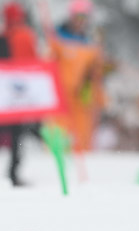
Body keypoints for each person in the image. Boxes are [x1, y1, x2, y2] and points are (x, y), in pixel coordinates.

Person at [0, 2, 39, 186]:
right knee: (16, 136)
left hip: (0, 96)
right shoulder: (26, 36)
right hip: (17, 96)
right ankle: (12, 173)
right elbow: (32, 62)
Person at [50, 0, 105, 153]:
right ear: (71, 16)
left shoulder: (90, 43)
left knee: (82, 135)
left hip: (82, 97)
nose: (81, 22)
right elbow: (48, 62)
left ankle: (82, 155)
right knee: (59, 132)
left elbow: (96, 73)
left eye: (85, 18)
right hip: (61, 95)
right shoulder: (58, 39)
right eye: (78, 17)